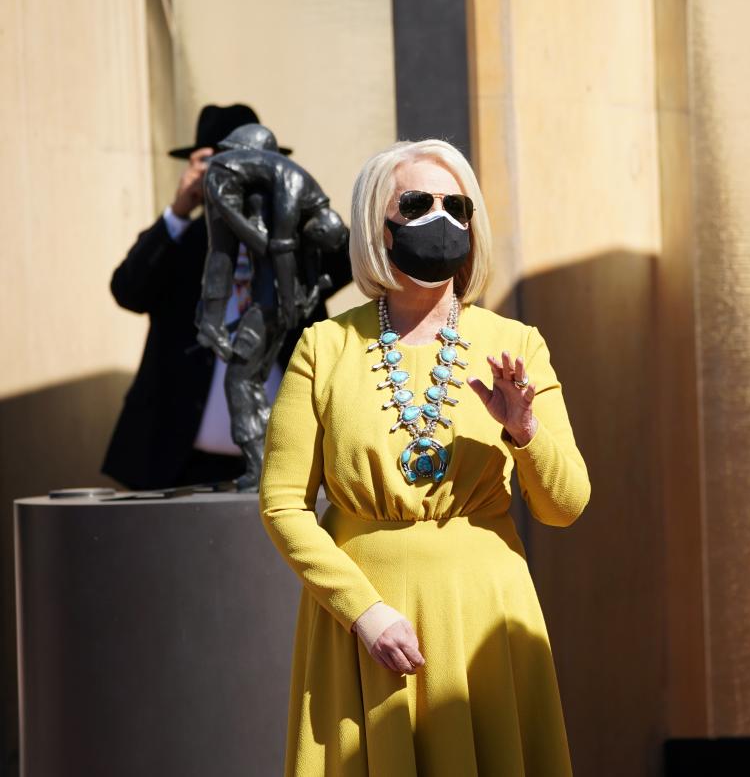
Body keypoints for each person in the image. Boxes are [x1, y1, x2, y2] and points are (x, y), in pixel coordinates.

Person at [260, 138, 590, 775]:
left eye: (456, 206)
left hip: (485, 622)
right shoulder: (323, 346)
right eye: (416, 202)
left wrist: (526, 432)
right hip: (363, 629)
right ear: (375, 222)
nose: (440, 219)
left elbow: (565, 507)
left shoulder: (516, 343)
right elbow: (282, 505)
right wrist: (363, 611)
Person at [102, 104, 351, 490]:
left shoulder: (295, 229)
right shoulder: (184, 239)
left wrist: (295, 204)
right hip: (179, 459)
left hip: (288, 459)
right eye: (218, 163)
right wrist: (180, 209)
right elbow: (128, 290)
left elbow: (349, 259)